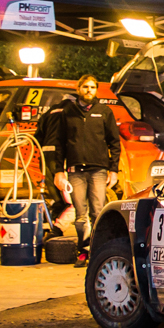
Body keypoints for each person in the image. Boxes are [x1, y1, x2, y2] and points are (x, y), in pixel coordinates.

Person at [51, 76, 120, 251]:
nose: (89, 90)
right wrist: (59, 171)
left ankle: (98, 250)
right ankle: (83, 250)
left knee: (97, 212)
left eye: (92, 87)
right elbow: (59, 143)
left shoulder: (104, 112)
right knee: (80, 215)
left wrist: (114, 170)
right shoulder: (68, 112)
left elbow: (114, 142)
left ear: (96, 90)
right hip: (75, 171)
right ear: (78, 89)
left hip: (98, 170)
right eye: (85, 87)